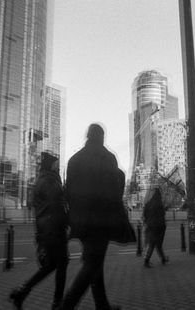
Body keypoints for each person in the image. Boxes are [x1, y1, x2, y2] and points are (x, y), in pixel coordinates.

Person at [59, 123, 130, 310]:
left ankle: (102, 305)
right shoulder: (108, 158)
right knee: (92, 263)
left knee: (94, 260)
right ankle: (66, 306)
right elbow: (115, 191)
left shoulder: (74, 159)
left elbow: (68, 192)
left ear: (87, 136)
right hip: (101, 220)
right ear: (102, 137)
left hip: (80, 220)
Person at [9, 152, 69, 310]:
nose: (58, 165)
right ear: (50, 164)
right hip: (53, 229)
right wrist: (66, 221)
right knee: (60, 263)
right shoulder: (49, 181)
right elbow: (57, 205)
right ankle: (57, 302)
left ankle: (22, 292)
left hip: (47, 229)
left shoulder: (44, 180)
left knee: (52, 265)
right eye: (56, 163)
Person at [142, 187, 169, 268]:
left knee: (154, 243)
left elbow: (144, 215)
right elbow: (162, 215)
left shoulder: (148, 204)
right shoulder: (159, 204)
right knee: (156, 244)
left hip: (150, 225)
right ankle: (146, 260)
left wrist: (147, 222)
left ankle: (163, 258)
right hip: (159, 226)